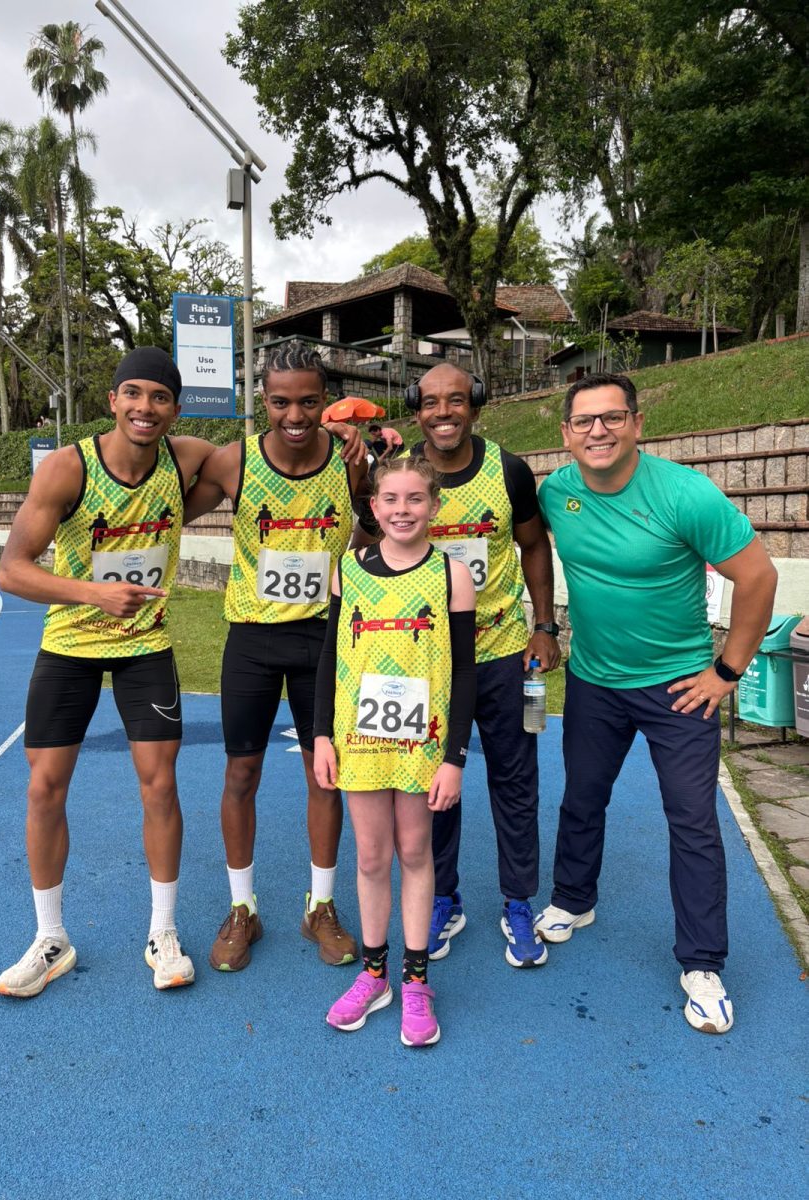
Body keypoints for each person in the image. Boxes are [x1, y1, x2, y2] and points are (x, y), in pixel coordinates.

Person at [535, 373, 777, 1034]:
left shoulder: (684, 494)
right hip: (594, 682)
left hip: (679, 687)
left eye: (612, 418)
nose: (598, 431)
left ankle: (701, 963)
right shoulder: (557, 493)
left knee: (693, 821)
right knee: (582, 797)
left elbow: (758, 576)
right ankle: (572, 899)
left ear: (637, 424)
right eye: (584, 421)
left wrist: (727, 670)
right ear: (565, 435)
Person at [0, 346, 219, 997]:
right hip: (70, 644)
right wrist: (94, 594)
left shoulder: (186, 461)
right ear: (113, 400)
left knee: (159, 784)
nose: (145, 408)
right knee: (45, 787)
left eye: (159, 398)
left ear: (175, 409)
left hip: (146, 646)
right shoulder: (70, 468)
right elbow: (13, 568)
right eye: (135, 394)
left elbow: (259, 460)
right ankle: (49, 939)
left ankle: (163, 931)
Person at [183, 340, 374, 972]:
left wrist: (370, 465)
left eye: (309, 401)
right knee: (241, 774)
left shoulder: (350, 462)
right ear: (261, 401)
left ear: (326, 401)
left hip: (323, 639)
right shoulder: (234, 463)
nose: (295, 415)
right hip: (252, 640)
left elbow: (373, 531)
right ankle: (244, 909)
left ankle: (321, 906)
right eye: (280, 402)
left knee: (327, 774)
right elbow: (168, 509)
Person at [314, 457, 477, 1045]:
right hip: (359, 739)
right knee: (369, 857)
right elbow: (329, 657)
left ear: (434, 506)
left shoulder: (451, 575)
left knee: (415, 851)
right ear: (373, 506)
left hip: (421, 742)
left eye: (415, 499)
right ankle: (375, 975)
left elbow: (464, 671)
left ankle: (415, 980)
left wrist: (455, 756)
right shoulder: (347, 568)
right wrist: (322, 736)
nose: (402, 509)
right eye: (390, 499)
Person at [407, 363, 560, 968]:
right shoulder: (406, 475)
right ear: (417, 411)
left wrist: (544, 626)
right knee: (433, 789)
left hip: (500, 655)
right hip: (427, 662)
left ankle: (518, 903)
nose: (443, 413)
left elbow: (532, 545)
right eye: (430, 403)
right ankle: (443, 897)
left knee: (514, 782)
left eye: (455, 401)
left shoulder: (508, 470)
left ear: (474, 405)